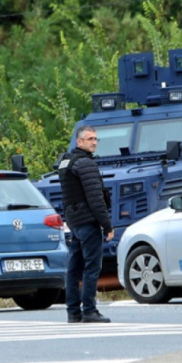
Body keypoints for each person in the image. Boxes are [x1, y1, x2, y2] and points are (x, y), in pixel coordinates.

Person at [59, 125, 114, 323]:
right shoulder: (86, 164)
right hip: (88, 221)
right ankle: (89, 310)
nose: (94, 142)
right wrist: (107, 225)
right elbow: (95, 198)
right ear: (79, 142)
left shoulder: (66, 162)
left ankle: (73, 311)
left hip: (74, 221)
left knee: (74, 268)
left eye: (96, 139)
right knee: (92, 267)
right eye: (90, 139)